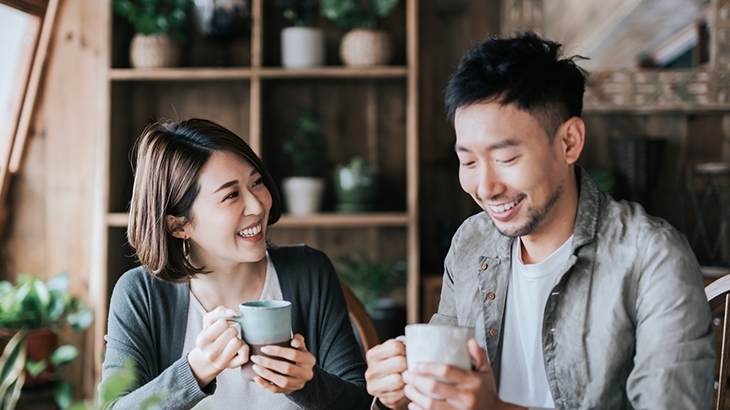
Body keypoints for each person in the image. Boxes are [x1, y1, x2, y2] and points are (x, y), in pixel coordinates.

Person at [365, 31, 715, 410]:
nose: (485, 187)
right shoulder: (472, 242)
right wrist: (397, 395)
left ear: (569, 142)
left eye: (506, 159)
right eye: (467, 162)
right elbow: (440, 386)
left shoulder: (652, 257)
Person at [99, 118, 372, 409]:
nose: (256, 206)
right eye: (231, 195)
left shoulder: (309, 271)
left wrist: (308, 384)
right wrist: (196, 370)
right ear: (179, 225)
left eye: (256, 182)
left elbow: (361, 403)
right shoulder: (140, 294)